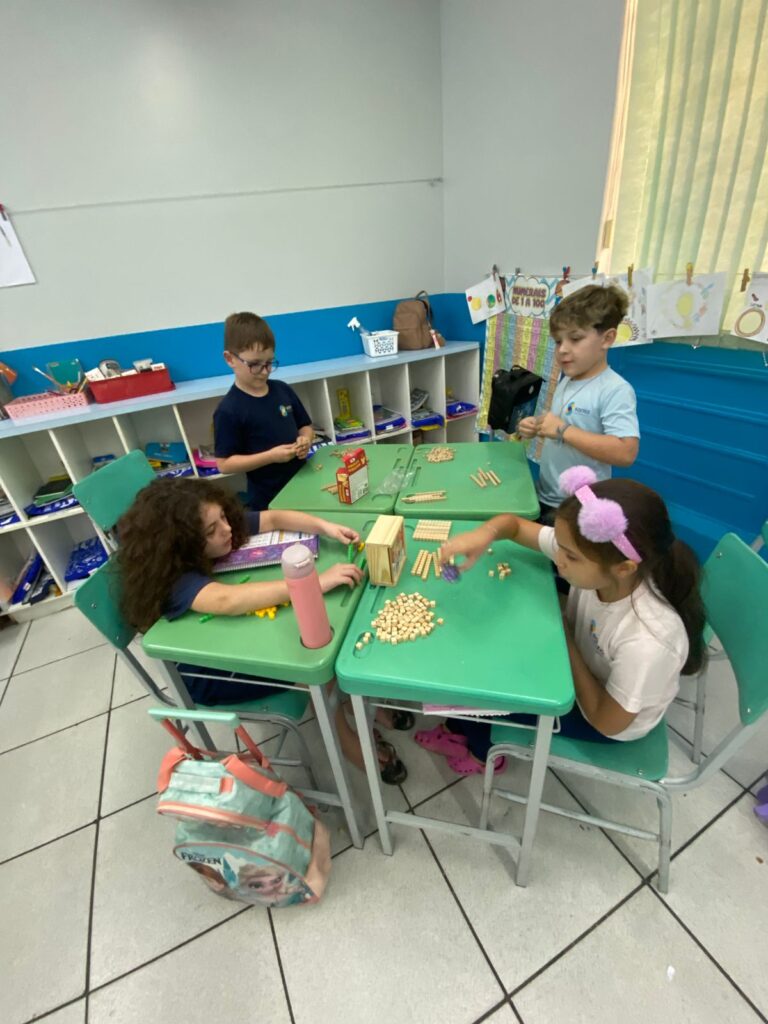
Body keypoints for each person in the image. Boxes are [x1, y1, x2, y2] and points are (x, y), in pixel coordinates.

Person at [416, 466, 706, 775]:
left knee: (481, 694)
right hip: (580, 664)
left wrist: (565, 638)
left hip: (600, 719)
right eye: (561, 548)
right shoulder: (594, 556)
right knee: (481, 668)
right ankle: (458, 727)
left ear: (623, 568)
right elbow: (514, 526)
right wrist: (483, 535)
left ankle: (480, 753)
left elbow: (606, 721)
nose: (559, 559)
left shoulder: (647, 641)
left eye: (570, 556)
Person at [117, 477, 409, 782]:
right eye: (211, 530)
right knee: (313, 663)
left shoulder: (218, 526)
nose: (227, 529)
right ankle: (345, 738)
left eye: (223, 517)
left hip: (231, 641)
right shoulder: (176, 579)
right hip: (209, 672)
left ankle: (353, 707)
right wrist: (312, 583)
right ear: (182, 545)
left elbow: (273, 518)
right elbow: (226, 600)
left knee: (325, 641)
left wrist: (326, 528)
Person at [518, 284, 640, 523]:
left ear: (607, 338)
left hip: (580, 508)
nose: (563, 350)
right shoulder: (568, 380)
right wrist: (537, 425)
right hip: (546, 494)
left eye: (575, 339)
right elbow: (564, 422)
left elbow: (626, 452)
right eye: (558, 341)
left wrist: (562, 430)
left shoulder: (615, 389)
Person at [213, 312, 314, 509]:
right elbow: (224, 464)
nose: (265, 371)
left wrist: (305, 440)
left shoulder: (282, 389)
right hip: (269, 499)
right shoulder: (228, 410)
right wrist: (271, 456)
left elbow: (305, 426)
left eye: (269, 363)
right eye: (255, 364)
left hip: (302, 484)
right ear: (230, 359)